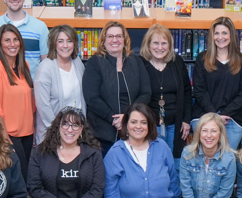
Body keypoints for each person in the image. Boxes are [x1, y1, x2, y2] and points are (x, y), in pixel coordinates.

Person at [83, 21, 151, 157]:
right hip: (102, 134)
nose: (115, 40)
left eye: (119, 36)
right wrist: (114, 119)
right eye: (110, 36)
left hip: (133, 131)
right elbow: (92, 97)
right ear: (103, 41)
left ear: (125, 40)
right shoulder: (94, 63)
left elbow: (146, 93)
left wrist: (128, 117)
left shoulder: (136, 61)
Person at [0, 22, 36, 180]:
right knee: (18, 178)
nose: (12, 44)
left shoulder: (24, 66)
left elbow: (30, 103)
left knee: (26, 177)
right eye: (7, 40)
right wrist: (5, 140)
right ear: (0, 44)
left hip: (27, 133)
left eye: (15, 39)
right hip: (9, 135)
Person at [192, 16, 242, 149]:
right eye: (216, 33)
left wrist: (225, 113)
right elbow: (199, 91)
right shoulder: (202, 58)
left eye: (224, 33)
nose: (220, 37)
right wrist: (215, 116)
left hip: (233, 118)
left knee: (227, 158)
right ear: (212, 36)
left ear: (232, 36)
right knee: (204, 157)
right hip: (204, 114)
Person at [140, 24, 192, 161]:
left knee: (173, 161)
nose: (160, 47)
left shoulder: (177, 62)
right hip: (149, 125)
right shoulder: (140, 64)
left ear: (169, 45)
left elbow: (187, 91)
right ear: (148, 44)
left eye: (164, 43)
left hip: (176, 124)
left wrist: (186, 120)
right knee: (153, 161)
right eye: (155, 43)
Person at [33, 24, 86, 145]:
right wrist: (60, 131)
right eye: (60, 41)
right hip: (53, 135)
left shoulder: (77, 62)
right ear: (53, 44)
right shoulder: (45, 68)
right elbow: (43, 107)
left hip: (76, 133)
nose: (65, 46)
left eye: (69, 41)